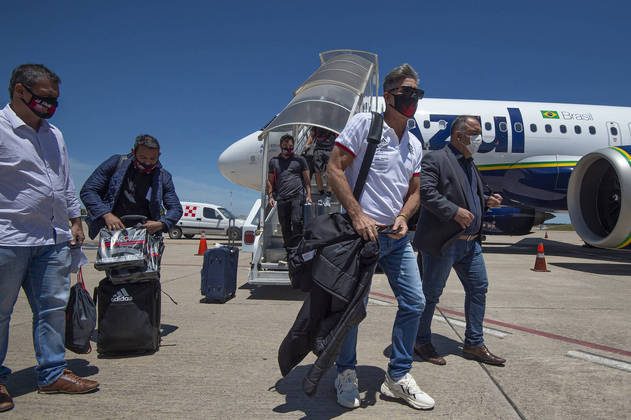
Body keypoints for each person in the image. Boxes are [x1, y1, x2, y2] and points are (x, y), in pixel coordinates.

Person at [327, 64, 434, 410]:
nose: (412, 100)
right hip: (362, 235)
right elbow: (334, 168)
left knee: (415, 302)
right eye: (406, 93)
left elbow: (416, 191)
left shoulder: (415, 143)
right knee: (354, 309)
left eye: (417, 94)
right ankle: (345, 372)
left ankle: (398, 376)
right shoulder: (365, 124)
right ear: (388, 96)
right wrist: (357, 214)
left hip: (397, 237)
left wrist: (404, 216)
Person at [0, 64, 99, 412]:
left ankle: (52, 373)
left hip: (52, 237)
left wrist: (75, 218)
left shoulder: (54, 134)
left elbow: (64, 180)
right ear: (18, 91)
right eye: (43, 99)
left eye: (54, 100)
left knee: (52, 310)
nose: (49, 106)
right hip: (8, 237)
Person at [413, 115, 506, 366]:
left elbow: (469, 194)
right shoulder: (436, 158)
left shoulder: (470, 163)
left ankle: (474, 343)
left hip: (471, 243)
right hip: (445, 243)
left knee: (478, 289)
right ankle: (420, 340)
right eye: (475, 133)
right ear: (458, 135)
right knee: (430, 294)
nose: (479, 139)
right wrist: (454, 211)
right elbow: (426, 193)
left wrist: (487, 200)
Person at [80, 134, 183, 240]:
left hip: (146, 235)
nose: (147, 162)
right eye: (143, 157)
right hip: (114, 233)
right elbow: (89, 191)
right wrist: (106, 214)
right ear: (133, 152)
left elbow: (176, 208)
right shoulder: (116, 163)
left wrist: (161, 224)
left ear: (159, 154)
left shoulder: (163, 176)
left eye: (152, 159)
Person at [267, 134, 312, 247]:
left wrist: (309, 195)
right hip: (282, 198)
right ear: (281, 146)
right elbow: (270, 181)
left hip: (297, 196)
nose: (288, 149)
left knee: (296, 221)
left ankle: (297, 248)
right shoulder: (274, 161)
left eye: (291, 147)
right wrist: (270, 196)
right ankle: (289, 249)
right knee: (284, 225)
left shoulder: (300, 160)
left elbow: (307, 180)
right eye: (286, 147)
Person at [305, 126, 336, 205]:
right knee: (317, 172)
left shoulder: (334, 120)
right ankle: (322, 194)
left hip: (331, 148)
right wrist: (307, 144)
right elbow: (312, 135)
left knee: (330, 172)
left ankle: (328, 195)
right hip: (318, 148)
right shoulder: (318, 121)